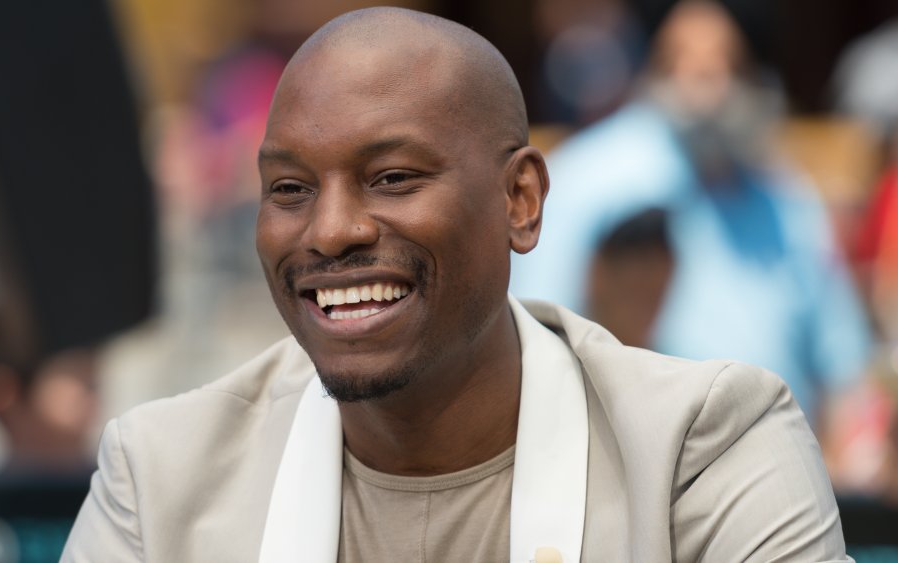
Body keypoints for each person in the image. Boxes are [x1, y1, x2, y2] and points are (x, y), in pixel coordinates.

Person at [62, 7, 850, 562]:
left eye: (393, 176)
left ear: (520, 201)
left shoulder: (702, 448)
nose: (331, 231)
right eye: (290, 189)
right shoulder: (162, 473)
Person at [511, 0, 871, 427]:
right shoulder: (588, 183)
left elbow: (848, 369)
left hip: (780, 462)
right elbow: (533, 346)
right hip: (638, 464)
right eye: (684, 62)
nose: (704, 89)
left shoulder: (787, 201)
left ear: (757, 75)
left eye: (727, 64)